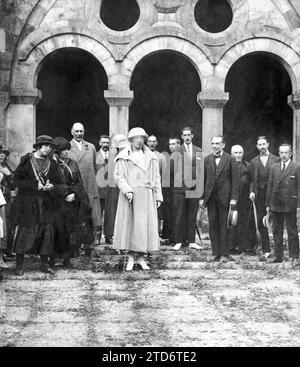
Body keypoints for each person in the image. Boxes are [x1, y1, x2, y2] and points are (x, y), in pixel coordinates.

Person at [9, 135, 61, 276]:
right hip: (28, 203)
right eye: (45, 145)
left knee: (47, 233)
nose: (48, 149)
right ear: (38, 146)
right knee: (26, 233)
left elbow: (58, 183)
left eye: (50, 146)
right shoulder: (27, 161)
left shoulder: (52, 163)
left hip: (46, 203)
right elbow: (16, 181)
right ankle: (19, 265)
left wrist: (52, 186)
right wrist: (34, 185)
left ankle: (44, 264)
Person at [113, 127, 163, 271]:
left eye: (142, 138)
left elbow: (157, 177)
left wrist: (158, 195)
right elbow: (119, 176)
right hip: (131, 195)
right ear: (131, 140)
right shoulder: (124, 156)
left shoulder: (151, 156)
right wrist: (127, 190)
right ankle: (130, 258)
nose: (139, 140)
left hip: (147, 195)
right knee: (130, 227)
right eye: (136, 138)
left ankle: (141, 258)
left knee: (143, 227)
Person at [51, 137, 93, 268]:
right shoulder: (52, 164)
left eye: (67, 149)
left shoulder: (72, 163)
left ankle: (66, 258)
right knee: (56, 230)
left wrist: (74, 194)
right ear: (57, 151)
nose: (65, 152)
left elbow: (78, 183)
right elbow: (50, 183)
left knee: (69, 230)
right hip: (56, 202)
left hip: (70, 202)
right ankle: (52, 259)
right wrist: (61, 193)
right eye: (62, 150)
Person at [199, 135, 239, 262]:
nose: (215, 146)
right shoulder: (206, 160)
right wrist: (201, 198)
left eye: (217, 143)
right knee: (213, 226)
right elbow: (202, 180)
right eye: (213, 143)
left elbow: (235, 181)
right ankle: (215, 253)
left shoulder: (230, 159)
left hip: (225, 198)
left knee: (224, 226)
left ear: (223, 145)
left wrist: (234, 198)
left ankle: (225, 254)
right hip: (211, 198)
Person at [69, 122, 101, 252]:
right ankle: (75, 244)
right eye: (76, 131)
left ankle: (89, 243)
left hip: (89, 185)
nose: (79, 134)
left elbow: (94, 166)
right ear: (71, 132)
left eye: (81, 131)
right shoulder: (67, 147)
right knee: (75, 214)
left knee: (90, 214)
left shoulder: (91, 147)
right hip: (75, 186)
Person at [266, 144, 300, 265]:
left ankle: (294, 256)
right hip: (275, 203)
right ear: (279, 154)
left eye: (286, 153)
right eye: (281, 153)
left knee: (292, 230)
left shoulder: (296, 167)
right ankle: (278, 256)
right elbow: (270, 185)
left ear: (290, 153)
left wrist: (297, 203)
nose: (283, 155)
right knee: (276, 230)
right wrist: (268, 203)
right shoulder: (274, 167)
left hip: (289, 203)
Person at [172, 127, 203, 251]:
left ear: (193, 136)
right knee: (179, 215)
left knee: (192, 215)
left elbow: (201, 171)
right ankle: (178, 241)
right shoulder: (177, 150)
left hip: (194, 188)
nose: (187, 137)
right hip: (180, 188)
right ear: (182, 137)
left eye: (189, 135)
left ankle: (191, 241)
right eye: (185, 135)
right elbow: (173, 169)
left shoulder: (198, 150)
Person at [249, 136, 280, 259]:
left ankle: (278, 250)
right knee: (262, 223)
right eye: (259, 145)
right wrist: (252, 191)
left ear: (268, 144)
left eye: (264, 144)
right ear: (257, 146)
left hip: (273, 194)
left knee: (276, 221)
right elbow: (252, 180)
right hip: (259, 195)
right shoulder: (253, 161)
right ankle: (266, 250)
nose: (262, 146)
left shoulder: (276, 159)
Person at [228, 145, 256, 254]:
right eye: (235, 152)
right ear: (231, 154)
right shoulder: (227, 165)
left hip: (245, 199)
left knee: (246, 222)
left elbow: (252, 180)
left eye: (240, 152)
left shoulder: (248, 166)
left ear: (243, 153)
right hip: (232, 198)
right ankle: (231, 246)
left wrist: (251, 191)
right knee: (232, 222)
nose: (238, 155)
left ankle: (246, 247)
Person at [147, 135, 167, 237]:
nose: (151, 144)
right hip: (145, 188)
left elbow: (163, 175)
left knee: (158, 212)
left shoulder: (161, 157)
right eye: (150, 141)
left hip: (156, 188)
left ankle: (157, 233)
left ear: (157, 143)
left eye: (154, 141)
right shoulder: (142, 155)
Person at [161, 137, 179, 244]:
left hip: (177, 189)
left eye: (174, 144)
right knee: (169, 214)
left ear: (178, 145)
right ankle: (170, 237)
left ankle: (176, 237)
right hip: (169, 190)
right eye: (170, 144)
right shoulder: (169, 157)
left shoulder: (180, 156)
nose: (172, 146)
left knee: (176, 213)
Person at [0, 146, 15, 265]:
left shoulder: (6, 167)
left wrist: (9, 174)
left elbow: (14, 183)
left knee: (8, 224)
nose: (1, 156)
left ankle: (7, 251)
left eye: (3, 154)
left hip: (6, 198)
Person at [96, 135, 111, 243]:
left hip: (110, 189)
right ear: (99, 143)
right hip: (99, 189)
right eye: (103, 142)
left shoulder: (113, 156)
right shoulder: (95, 155)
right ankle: (97, 236)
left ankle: (108, 236)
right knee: (98, 213)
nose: (105, 145)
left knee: (110, 213)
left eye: (107, 143)